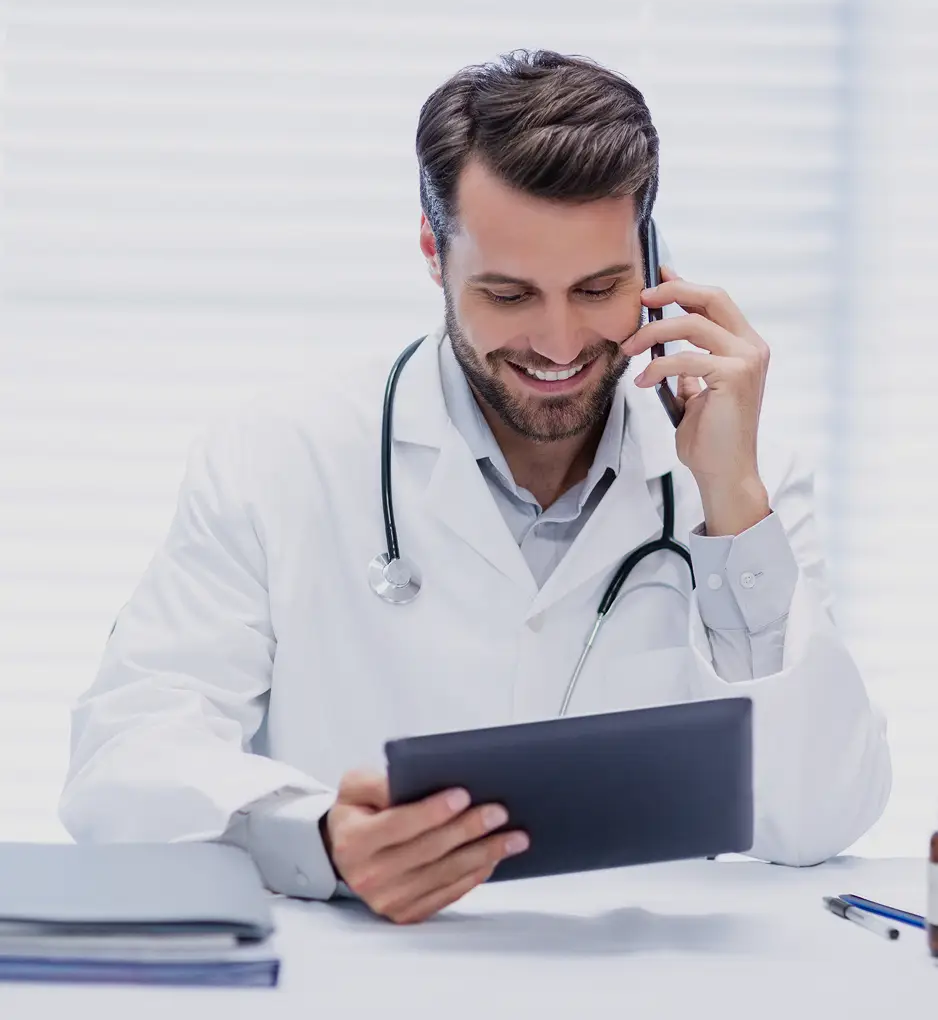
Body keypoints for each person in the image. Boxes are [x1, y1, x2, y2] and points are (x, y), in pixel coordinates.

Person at [61, 50, 890, 926]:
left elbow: (820, 813)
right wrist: (319, 838)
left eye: (599, 288)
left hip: (641, 981)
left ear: (651, 260)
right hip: (371, 974)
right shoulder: (276, 459)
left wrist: (732, 507)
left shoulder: (739, 478)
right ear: (434, 252)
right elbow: (125, 756)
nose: (560, 343)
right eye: (509, 294)